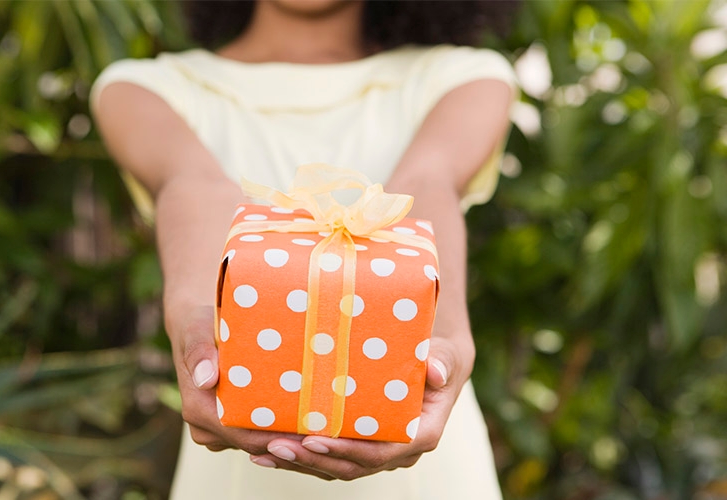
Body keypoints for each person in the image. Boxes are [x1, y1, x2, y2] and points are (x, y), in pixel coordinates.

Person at [90, 1, 519, 498]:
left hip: (424, 458)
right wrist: (194, 317)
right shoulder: (142, 89)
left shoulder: (464, 76)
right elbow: (196, 187)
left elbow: (426, 183)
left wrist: (445, 338)